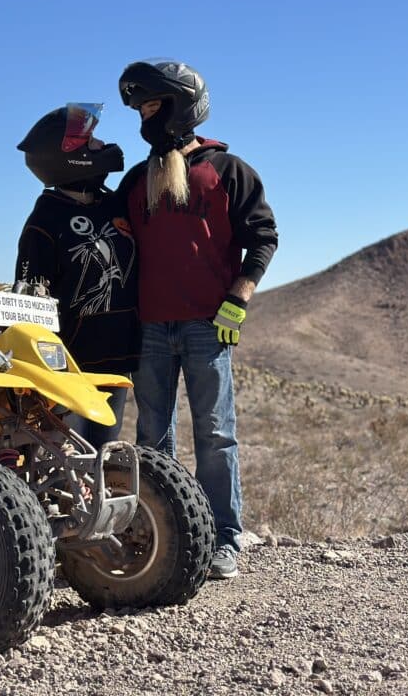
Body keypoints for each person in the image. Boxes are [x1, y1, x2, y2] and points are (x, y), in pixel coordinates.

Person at [114, 60, 278, 579]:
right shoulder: (137, 180)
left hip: (209, 327)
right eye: (140, 108)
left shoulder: (229, 171)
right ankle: (161, 534)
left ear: (183, 105)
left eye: (152, 105)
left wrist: (239, 299)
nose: (144, 115)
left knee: (214, 435)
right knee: (153, 437)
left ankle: (225, 538)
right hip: (151, 329)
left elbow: (263, 237)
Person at [15, 103, 139, 446]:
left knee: (103, 454)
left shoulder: (115, 204)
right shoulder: (45, 221)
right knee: (69, 459)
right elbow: (29, 303)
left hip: (119, 361)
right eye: (90, 139)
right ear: (67, 155)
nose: (100, 144)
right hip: (71, 367)